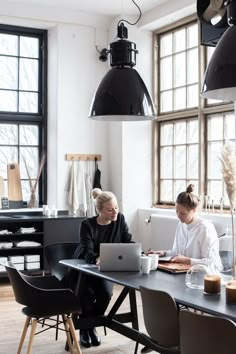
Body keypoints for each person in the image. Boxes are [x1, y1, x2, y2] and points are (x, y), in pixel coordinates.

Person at [141, 184, 221, 354]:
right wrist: (162, 252)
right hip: (181, 275)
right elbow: (176, 252)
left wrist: (188, 260)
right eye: (176, 212)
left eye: (183, 213)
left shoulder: (205, 229)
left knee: (173, 299)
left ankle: (180, 340)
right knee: (162, 296)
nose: (179, 216)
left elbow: (212, 264)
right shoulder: (181, 225)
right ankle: (165, 337)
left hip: (201, 280)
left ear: (194, 210)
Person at [71, 190, 133, 348]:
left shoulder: (120, 219)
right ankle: (85, 330)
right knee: (87, 294)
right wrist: (97, 258)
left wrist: (138, 253)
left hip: (106, 268)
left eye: (116, 208)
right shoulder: (87, 224)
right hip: (83, 268)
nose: (115, 212)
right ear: (100, 210)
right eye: (110, 209)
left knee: (105, 294)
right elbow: (87, 251)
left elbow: (127, 241)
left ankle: (89, 326)